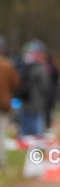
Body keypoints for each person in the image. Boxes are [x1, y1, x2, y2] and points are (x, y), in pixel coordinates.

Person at [17, 41, 50, 139]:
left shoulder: (25, 68)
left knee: (27, 130)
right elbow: (46, 86)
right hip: (35, 103)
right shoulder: (40, 68)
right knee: (36, 131)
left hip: (29, 103)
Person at [0, 36, 20, 170]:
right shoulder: (7, 65)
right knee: (1, 134)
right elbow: (16, 83)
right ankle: (1, 162)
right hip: (3, 105)